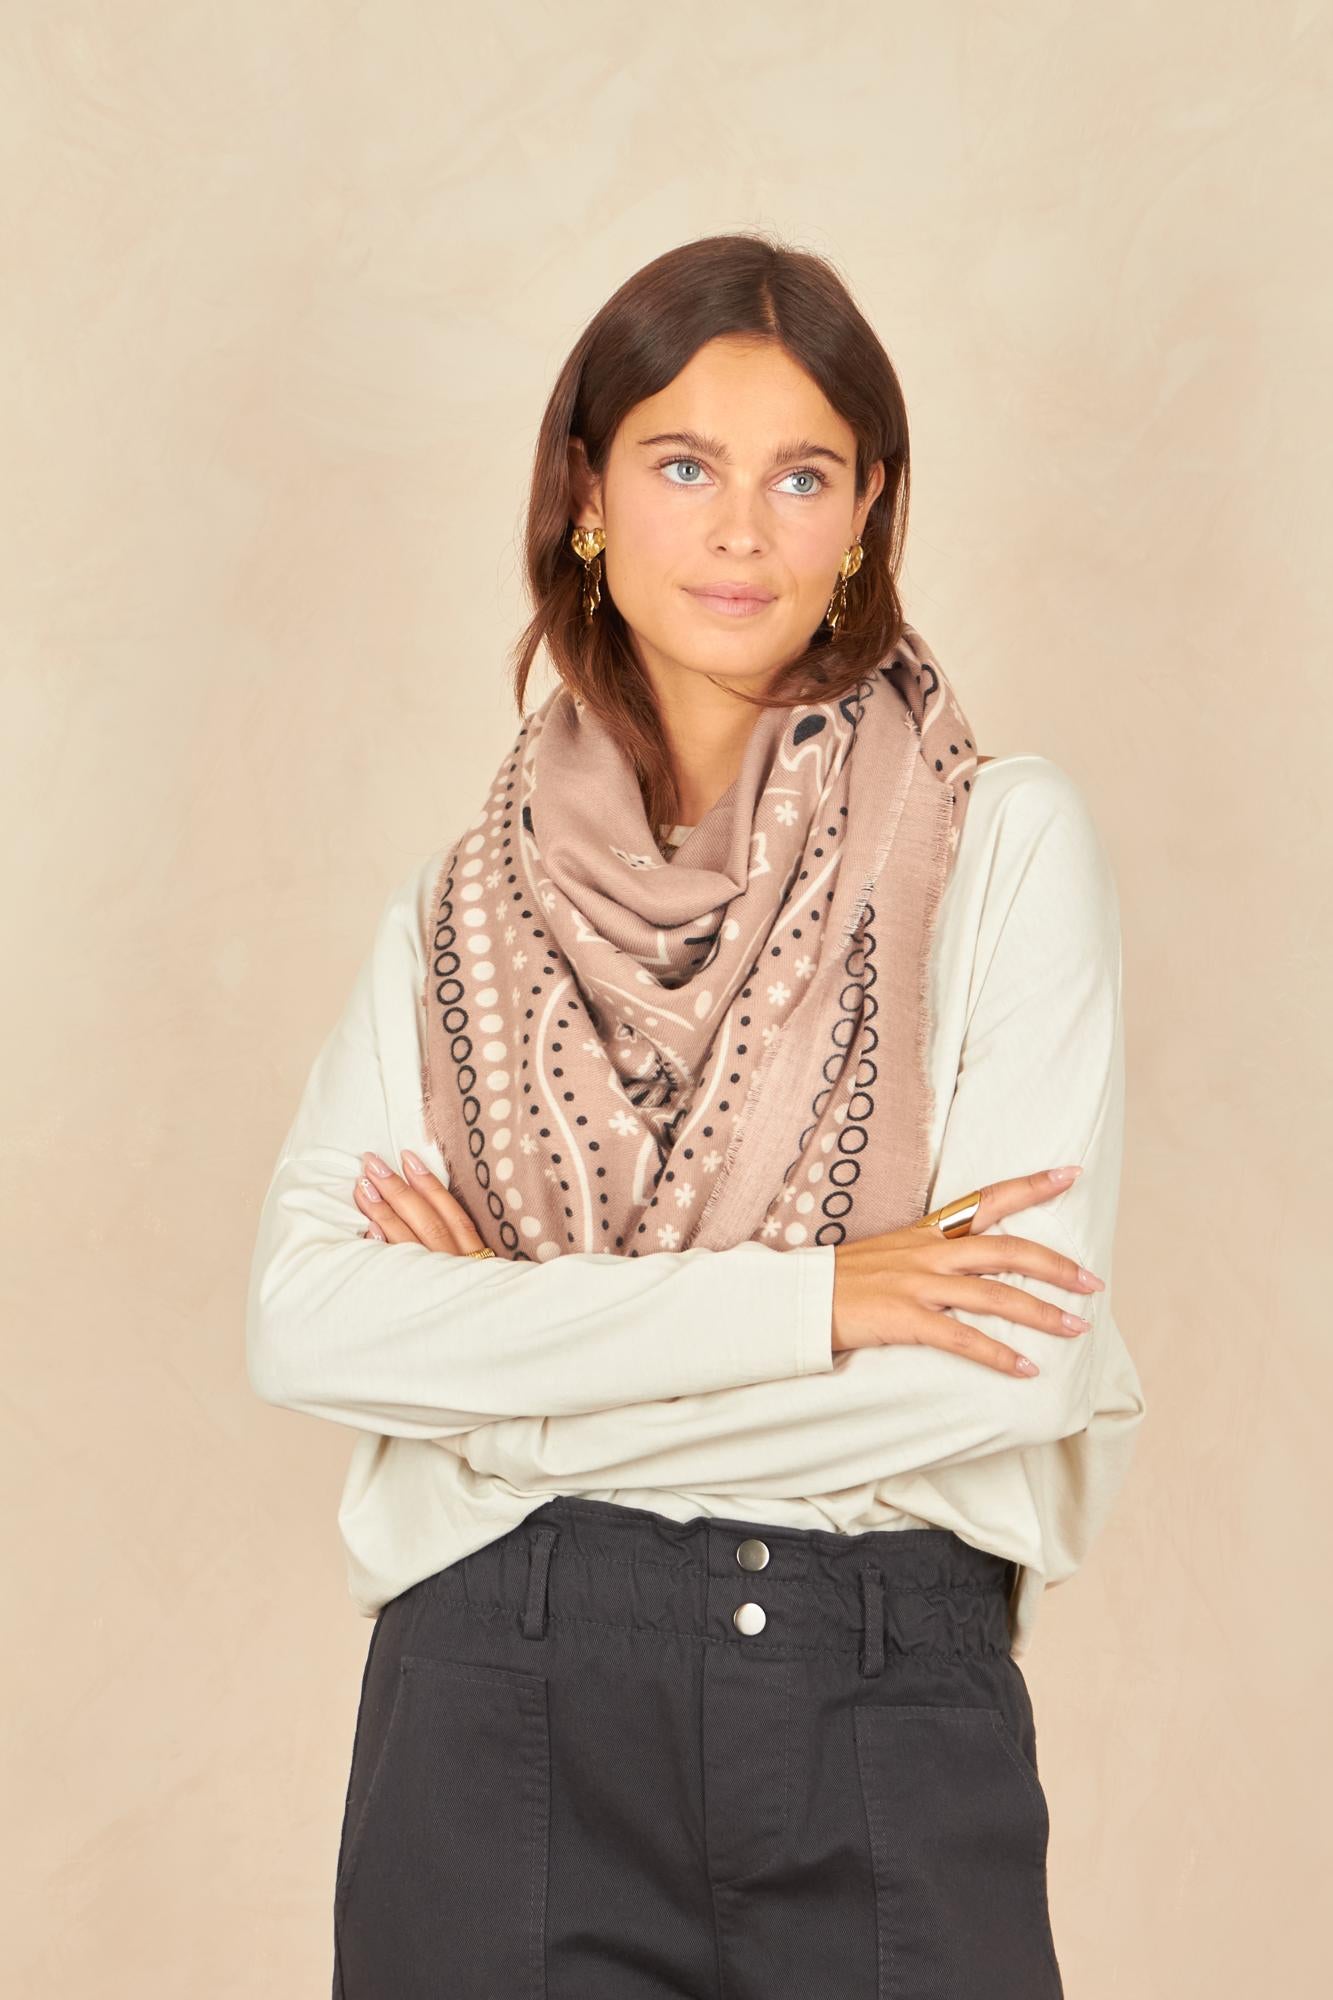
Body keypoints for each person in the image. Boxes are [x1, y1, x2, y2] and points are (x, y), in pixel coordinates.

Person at [246, 231, 1146, 1999]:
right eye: (682, 466)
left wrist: (499, 1409)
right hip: (493, 1711)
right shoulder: (461, 916)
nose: (742, 531)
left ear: (867, 512)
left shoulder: (999, 845)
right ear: (586, 494)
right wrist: (819, 1302)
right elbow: (308, 1323)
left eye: (801, 476)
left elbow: (1005, 1372)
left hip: (878, 1701)